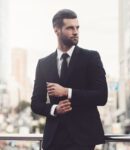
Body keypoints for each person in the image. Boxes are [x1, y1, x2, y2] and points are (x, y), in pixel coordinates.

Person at [31, 9, 108, 150]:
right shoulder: (43, 63)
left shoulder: (91, 57)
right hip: (53, 139)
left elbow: (102, 96)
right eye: (70, 28)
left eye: (77, 27)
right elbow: (36, 103)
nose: (75, 32)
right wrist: (55, 109)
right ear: (57, 30)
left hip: (83, 138)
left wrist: (67, 92)